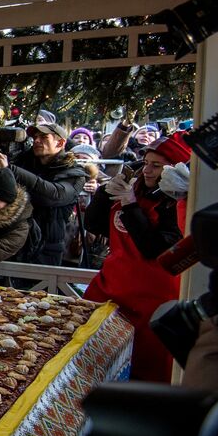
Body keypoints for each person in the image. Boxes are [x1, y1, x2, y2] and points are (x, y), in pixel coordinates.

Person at [84, 132, 191, 382]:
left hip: (151, 300)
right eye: (146, 163)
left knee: (145, 365)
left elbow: (153, 248)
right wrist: (104, 194)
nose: (147, 171)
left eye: (157, 166)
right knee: (92, 357)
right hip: (111, 288)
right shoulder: (135, 189)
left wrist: (130, 206)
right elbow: (94, 224)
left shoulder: (179, 204)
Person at [0, 114, 86, 265]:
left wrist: (11, 170)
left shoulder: (75, 173)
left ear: (60, 142)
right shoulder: (23, 162)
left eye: (44, 137)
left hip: (46, 249)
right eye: (35, 137)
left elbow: (54, 195)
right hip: (14, 241)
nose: (36, 140)